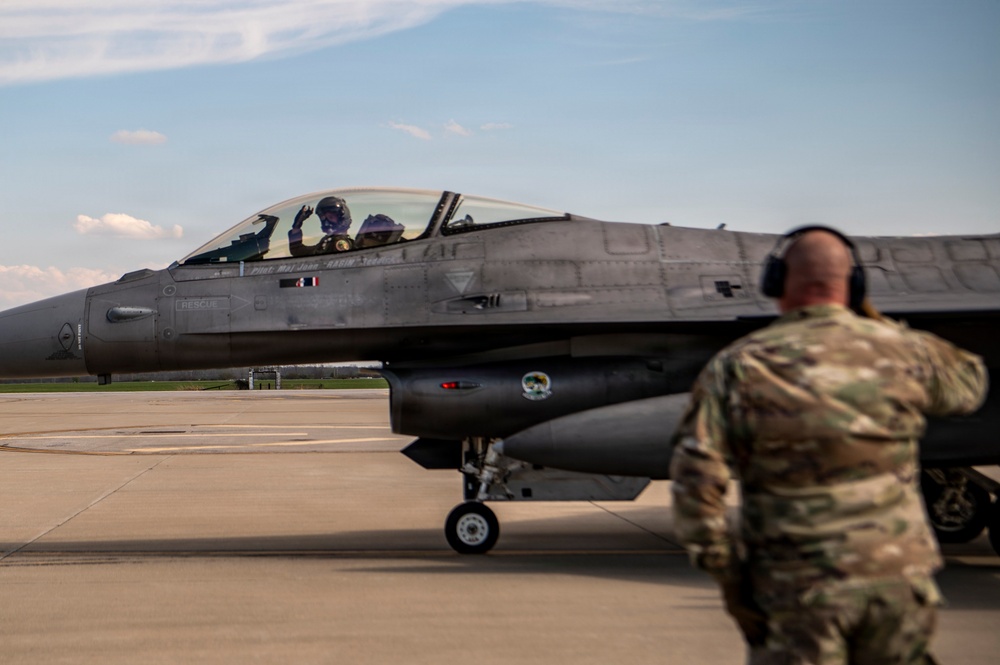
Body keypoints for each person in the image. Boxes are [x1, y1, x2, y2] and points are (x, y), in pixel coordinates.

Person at [669, 226, 988, 664]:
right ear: (855, 285)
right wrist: (878, 324)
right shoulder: (906, 352)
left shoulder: (739, 365)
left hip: (797, 588)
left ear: (776, 282)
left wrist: (730, 578)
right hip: (897, 586)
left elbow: (696, 481)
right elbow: (969, 384)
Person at [288, 196, 354, 256]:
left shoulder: (341, 244)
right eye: (323, 218)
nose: (326, 222)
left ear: (342, 218)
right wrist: (296, 226)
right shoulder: (326, 243)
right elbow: (297, 251)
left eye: (330, 217)